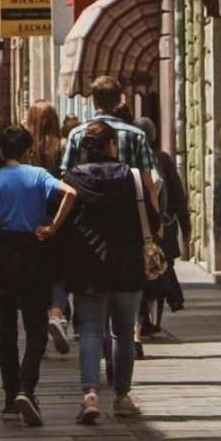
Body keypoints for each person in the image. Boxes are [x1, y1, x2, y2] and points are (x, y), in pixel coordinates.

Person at [61, 119, 158, 425]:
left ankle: (90, 394)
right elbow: (154, 220)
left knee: (90, 329)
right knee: (124, 332)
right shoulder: (133, 178)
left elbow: (62, 225)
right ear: (113, 146)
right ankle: (122, 397)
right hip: (128, 265)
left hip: (88, 266)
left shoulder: (73, 179)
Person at [0, 123, 76, 427]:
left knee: (7, 331)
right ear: (27, 150)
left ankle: (10, 399)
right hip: (34, 250)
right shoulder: (38, 175)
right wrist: (52, 228)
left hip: (4, 251)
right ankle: (26, 387)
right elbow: (70, 192)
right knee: (35, 327)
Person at [135, 117, 190, 335]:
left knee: (143, 273)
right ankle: (155, 318)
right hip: (163, 227)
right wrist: (185, 225)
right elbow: (178, 194)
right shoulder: (162, 159)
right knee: (161, 267)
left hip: (142, 226)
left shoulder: (132, 159)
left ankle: (143, 320)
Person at [60, 77, 159, 190]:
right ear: (118, 101)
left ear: (94, 101)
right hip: (125, 204)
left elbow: (65, 178)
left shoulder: (76, 134)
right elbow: (148, 181)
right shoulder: (137, 136)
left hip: (87, 205)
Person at [26, 100, 70, 353]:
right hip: (58, 217)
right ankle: (56, 314)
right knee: (60, 272)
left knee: (36, 273)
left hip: (31, 218)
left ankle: (40, 328)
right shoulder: (62, 147)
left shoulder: (26, 149)